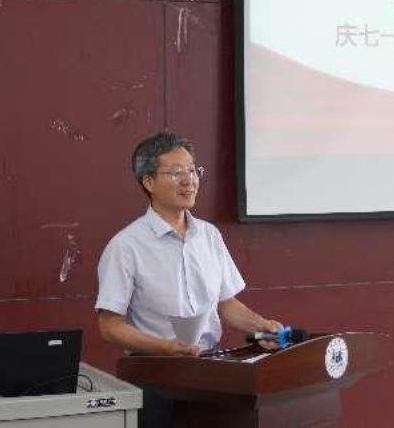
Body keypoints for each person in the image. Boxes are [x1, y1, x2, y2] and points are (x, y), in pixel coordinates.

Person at [95, 132, 282, 426]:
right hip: (154, 377)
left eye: (193, 171)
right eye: (176, 173)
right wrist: (166, 348)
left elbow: (226, 303)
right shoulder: (126, 246)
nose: (189, 181)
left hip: (211, 373)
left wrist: (262, 326)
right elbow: (109, 325)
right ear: (148, 182)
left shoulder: (209, 235)